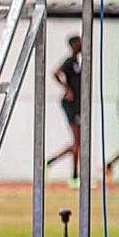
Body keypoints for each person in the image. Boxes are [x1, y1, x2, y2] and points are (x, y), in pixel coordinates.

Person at [46, 34, 82, 183]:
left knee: (78, 142)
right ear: (74, 45)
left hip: (78, 104)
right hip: (71, 104)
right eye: (79, 42)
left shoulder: (78, 62)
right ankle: (74, 176)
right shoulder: (70, 61)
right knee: (78, 141)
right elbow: (55, 73)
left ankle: (51, 162)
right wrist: (67, 88)